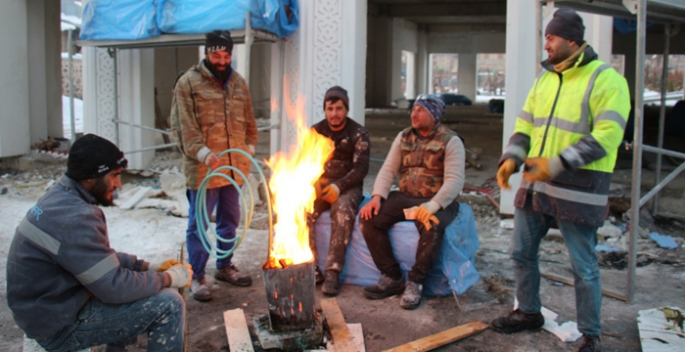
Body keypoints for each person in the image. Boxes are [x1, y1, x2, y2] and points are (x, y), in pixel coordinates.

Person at [492, 9, 630, 352]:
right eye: (546, 38)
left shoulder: (606, 79)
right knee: (521, 253)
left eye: (552, 38)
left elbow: (609, 135)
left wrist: (556, 163)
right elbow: (525, 125)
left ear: (572, 41)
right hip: (538, 185)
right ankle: (528, 311)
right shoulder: (545, 80)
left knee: (583, 265)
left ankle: (590, 334)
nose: (546, 44)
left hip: (579, 186)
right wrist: (512, 157)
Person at [6, 134, 192, 352]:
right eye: (114, 175)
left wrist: (145, 266)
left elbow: (95, 261)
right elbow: (113, 287)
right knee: (168, 304)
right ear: (91, 177)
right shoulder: (77, 217)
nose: (119, 183)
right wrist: (168, 278)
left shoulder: (59, 198)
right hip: (56, 327)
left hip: (44, 309)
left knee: (132, 290)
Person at [172, 30, 258, 302]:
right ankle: (197, 275)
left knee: (230, 220)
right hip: (205, 170)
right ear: (206, 54)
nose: (221, 61)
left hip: (234, 169)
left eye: (226, 55)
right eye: (216, 55)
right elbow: (182, 126)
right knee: (199, 224)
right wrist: (203, 152)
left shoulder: (238, 83)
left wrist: (250, 147)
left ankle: (224, 266)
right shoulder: (188, 84)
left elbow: (249, 121)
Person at [359, 94, 465, 310]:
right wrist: (377, 197)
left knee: (431, 226)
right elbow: (388, 170)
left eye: (420, 110)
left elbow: (455, 181)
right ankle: (392, 277)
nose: (413, 114)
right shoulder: (403, 137)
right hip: (406, 196)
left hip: (437, 199)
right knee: (369, 219)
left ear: (433, 115)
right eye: (413, 109)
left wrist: (433, 205)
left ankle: (415, 282)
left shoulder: (451, 140)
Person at [308, 86, 370, 296]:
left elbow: (361, 169)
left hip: (347, 186)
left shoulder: (358, 133)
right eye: (330, 108)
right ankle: (311, 267)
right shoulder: (315, 131)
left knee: (342, 212)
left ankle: (333, 271)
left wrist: (338, 186)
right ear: (324, 110)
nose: (334, 113)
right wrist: (312, 188)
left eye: (339, 108)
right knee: (300, 209)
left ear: (346, 109)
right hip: (320, 184)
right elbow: (305, 164)